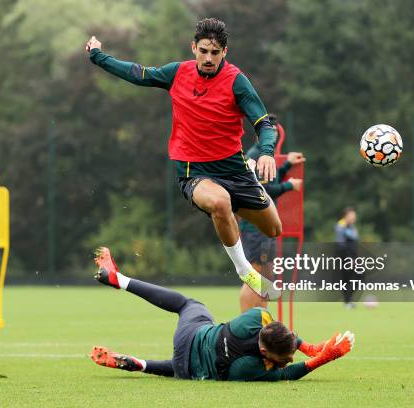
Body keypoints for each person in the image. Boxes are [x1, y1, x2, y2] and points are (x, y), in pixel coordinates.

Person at [85, 18, 281, 300]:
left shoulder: (237, 82)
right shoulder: (177, 73)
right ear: (193, 47)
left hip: (236, 171)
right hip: (194, 171)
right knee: (219, 202)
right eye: (203, 51)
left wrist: (266, 153)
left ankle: (231, 208)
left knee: (274, 228)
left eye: (215, 53)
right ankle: (245, 270)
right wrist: (98, 56)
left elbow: (263, 123)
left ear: (225, 52)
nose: (208, 58)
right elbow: (138, 73)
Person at [90, 247, 354, 381]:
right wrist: (324, 357)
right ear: (265, 354)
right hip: (186, 368)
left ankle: (120, 280)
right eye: (284, 356)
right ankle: (143, 365)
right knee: (191, 368)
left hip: (191, 337)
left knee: (188, 305)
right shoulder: (248, 367)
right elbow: (287, 374)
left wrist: (310, 347)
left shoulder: (257, 317)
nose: (288, 358)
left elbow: (280, 335)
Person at [238, 115, 305, 311]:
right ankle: (247, 319)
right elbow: (265, 191)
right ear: (260, 134)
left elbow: (270, 180)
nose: (273, 135)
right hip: (255, 226)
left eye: (275, 131)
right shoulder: (257, 155)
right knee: (255, 273)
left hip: (261, 225)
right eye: (270, 131)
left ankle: (261, 318)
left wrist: (286, 165)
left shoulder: (266, 155)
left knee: (264, 276)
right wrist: (289, 186)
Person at [334, 207, 360, 308]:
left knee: (355, 277)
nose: (354, 217)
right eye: (352, 216)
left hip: (352, 256)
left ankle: (348, 301)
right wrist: (348, 258)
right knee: (348, 278)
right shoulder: (341, 225)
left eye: (354, 216)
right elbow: (341, 244)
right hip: (346, 257)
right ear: (346, 216)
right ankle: (347, 302)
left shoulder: (350, 226)